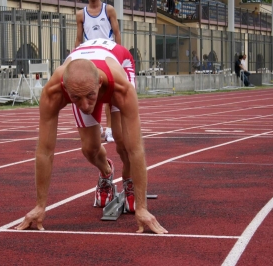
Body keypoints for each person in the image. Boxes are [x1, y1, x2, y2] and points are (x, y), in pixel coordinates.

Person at [15, 38, 168, 234]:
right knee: (89, 149)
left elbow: (136, 148)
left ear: (100, 84)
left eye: (90, 96)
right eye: (76, 98)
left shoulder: (121, 88)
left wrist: (142, 208)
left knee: (123, 142)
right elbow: (45, 151)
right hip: (83, 76)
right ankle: (106, 172)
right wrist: (39, 206)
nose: (86, 106)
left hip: (120, 63)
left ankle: (128, 179)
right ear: (65, 88)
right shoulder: (54, 91)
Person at [75, 0, 121, 143]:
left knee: (109, 93)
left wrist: (117, 56)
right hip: (89, 57)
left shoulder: (109, 10)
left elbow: (117, 34)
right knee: (89, 93)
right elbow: (78, 38)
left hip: (106, 56)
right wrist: (76, 58)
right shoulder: (81, 14)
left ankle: (109, 129)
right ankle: (97, 126)